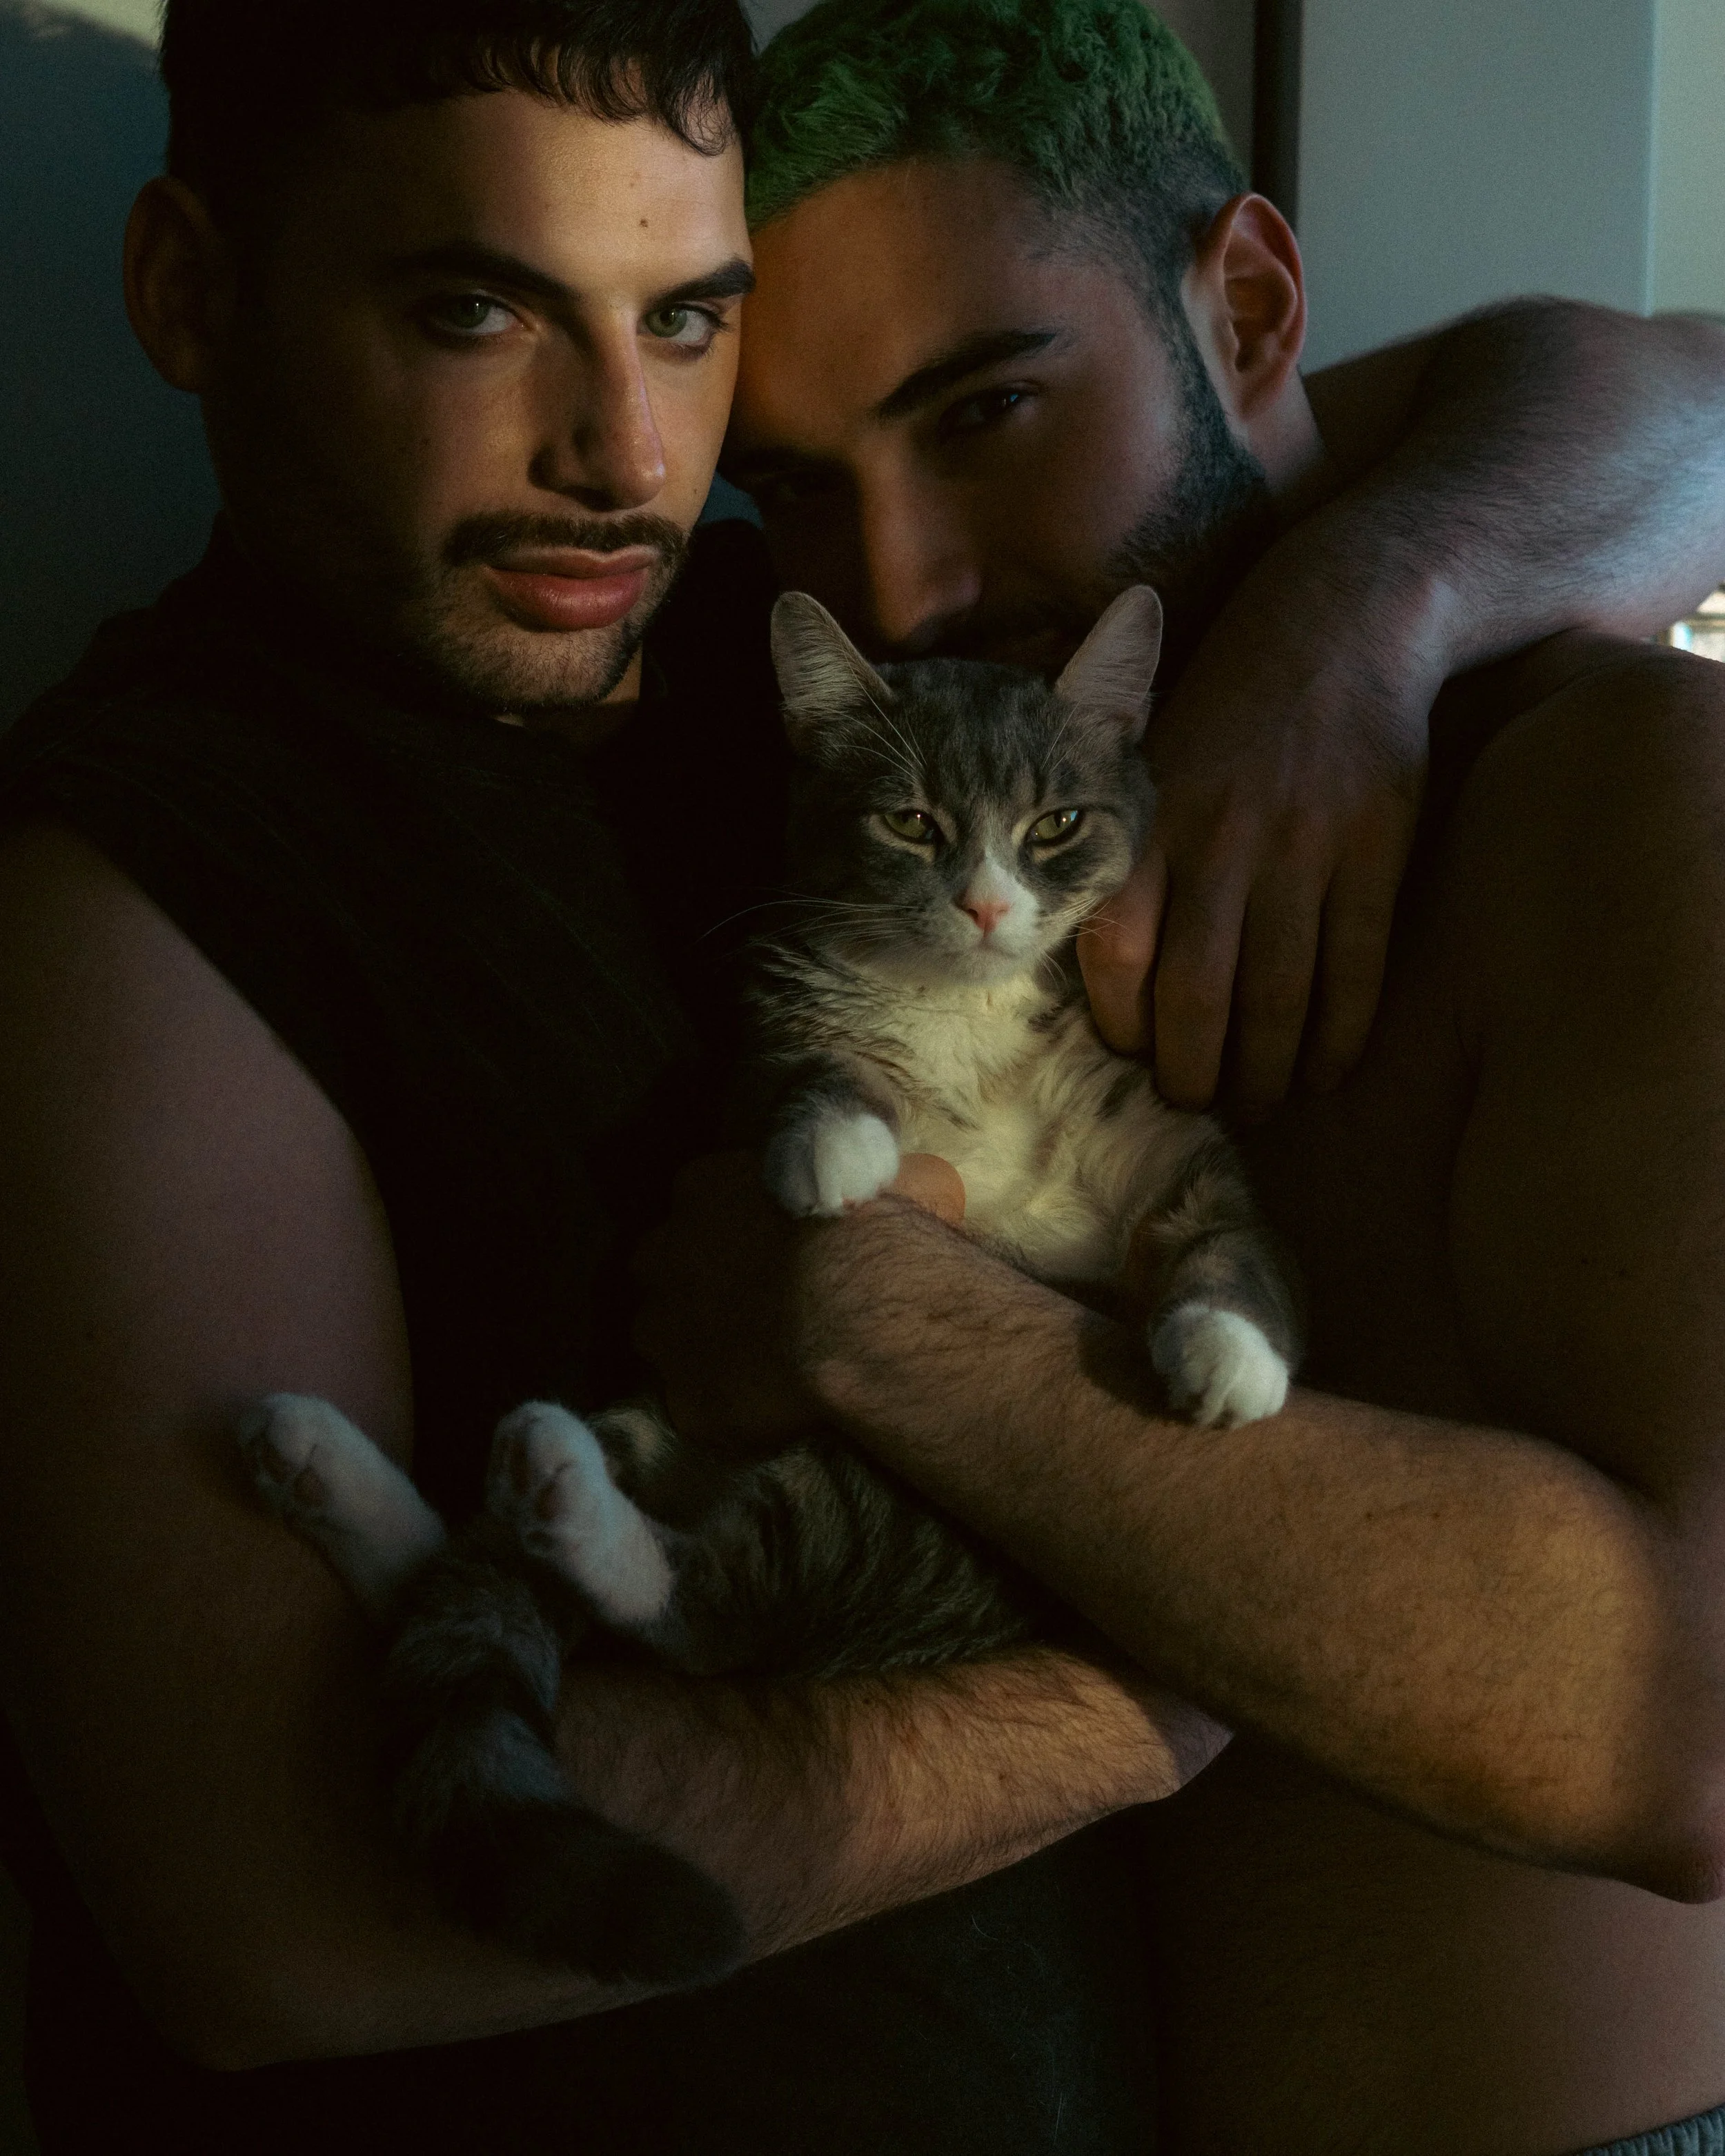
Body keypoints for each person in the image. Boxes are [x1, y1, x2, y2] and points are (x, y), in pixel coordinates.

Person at [0, 1, 1719, 2153]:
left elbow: (1671, 377)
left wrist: (1365, 616)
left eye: (682, 326)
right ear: (190, 291)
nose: (892, 577)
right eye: (473, 311)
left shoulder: (1527, 761)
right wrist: (1141, 1690)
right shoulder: (224, 851)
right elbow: (270, 1912)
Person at [631, 2, 1725, 2152]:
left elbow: (1697, 1723)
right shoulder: (850, 768)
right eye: (800, 488)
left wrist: (885, 1327)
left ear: (1243, 311)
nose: (902, 582)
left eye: (986, 413)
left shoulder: (1614, 800)